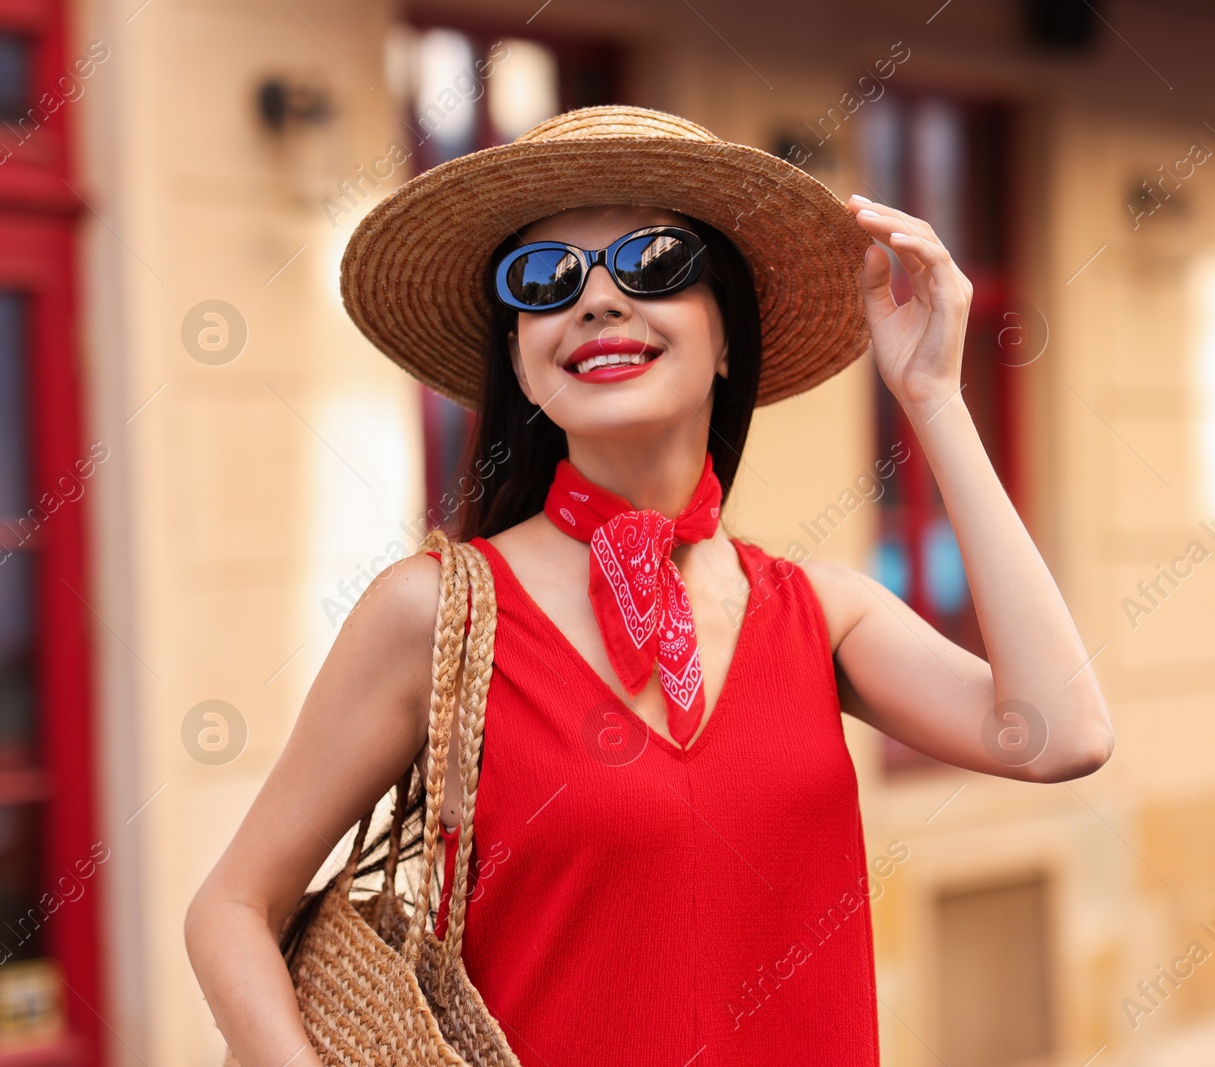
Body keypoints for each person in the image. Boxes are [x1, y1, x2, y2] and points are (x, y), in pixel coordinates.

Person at [184, 105, 1112, 1067]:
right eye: (544, 282)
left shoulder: (820, 611)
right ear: (519, 356)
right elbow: (232, 907)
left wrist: (932, 398)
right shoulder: (437, 615)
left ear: (725, 340)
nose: (595, 301)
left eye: (655, 263)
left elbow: (1062, 735)